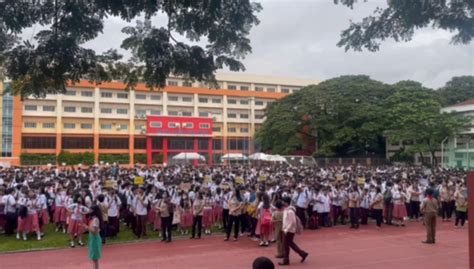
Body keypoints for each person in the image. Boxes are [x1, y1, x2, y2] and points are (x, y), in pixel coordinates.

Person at [279, 196, 308, 266]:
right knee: (290, 243)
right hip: (287, 229)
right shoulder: (286, 210)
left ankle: (286, 260)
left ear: (286, 203)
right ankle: (302, 253)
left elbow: (292, 222)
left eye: (283, 201)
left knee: (286, 245)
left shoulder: (290, 211)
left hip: (289, 230)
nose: (282, 202)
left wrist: (286, 229)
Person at [84, 205, 103, 269]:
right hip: (92, 239)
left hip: (95, 239)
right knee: (94, 259)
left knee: (95, 259)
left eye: (91, 209)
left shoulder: (95, 220)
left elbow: (94, 231)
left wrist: (87, 227)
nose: (89, 211)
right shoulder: (93, 219)